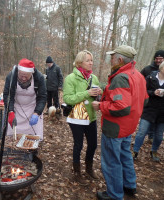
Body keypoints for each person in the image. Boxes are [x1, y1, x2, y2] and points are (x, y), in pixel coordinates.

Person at [92, 45, 148, 200]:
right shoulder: (137, 75)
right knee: (125, 156)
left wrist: (100, 105)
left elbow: (121, 106)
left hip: (115, 128)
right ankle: (130, 186)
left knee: (112, 162)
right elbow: (145, 100)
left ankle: (115, 195)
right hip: (128, 127)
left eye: (112, 57)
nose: (110, 59)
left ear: (120, 59)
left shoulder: (120, 77)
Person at [63, 50, 102, 185]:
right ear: (80, 62)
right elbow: (68, 98)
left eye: (92, 60)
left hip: (91, 116)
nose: (91, 63)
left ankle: (89, 168)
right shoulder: (70, 78)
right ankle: (77, 172)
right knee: (78, 145)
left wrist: (99, 95)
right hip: (77, 116)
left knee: (93, 145)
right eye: (88, 60)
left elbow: (95, 97)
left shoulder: (94, 78)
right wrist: (87, 93)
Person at [3, 58, 46, 140]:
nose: (23, 78)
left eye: (26, 76)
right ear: (18, 71)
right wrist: (10, 111)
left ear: (31, 73)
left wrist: (37, 113)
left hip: (32, 109)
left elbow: (42, 97)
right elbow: (8, 95)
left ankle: (32, 151)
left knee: (33, 137)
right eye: (21, 75)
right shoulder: (11, 76)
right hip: (16, 108)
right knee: (13, 137)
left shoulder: (39, 77)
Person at [132, 61, 164, 162]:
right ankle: (135, 151)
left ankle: (154, 151)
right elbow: (143, 91)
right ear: (161, 68)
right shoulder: (150, 77)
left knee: (159, 136)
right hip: (149, 110)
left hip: (162, 113)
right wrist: (153, 92)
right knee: (142, 132)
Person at [140, 50, 164, 143]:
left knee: (157, 125)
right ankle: (147, 137)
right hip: (148, 103)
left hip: (160, 107)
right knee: (145, 125)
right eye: (156, 58)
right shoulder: (147, 69)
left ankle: (151, 137)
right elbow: (140, 81)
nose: (158, 60)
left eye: (160, 59)